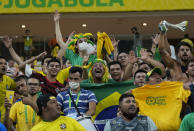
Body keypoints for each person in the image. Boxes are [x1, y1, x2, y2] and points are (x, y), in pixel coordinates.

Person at [0, 56, 16, 122]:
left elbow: (17, 92)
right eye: (0, 63)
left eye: (5, 64)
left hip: (6, 119)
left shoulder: (9, 80)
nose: (3, 66)